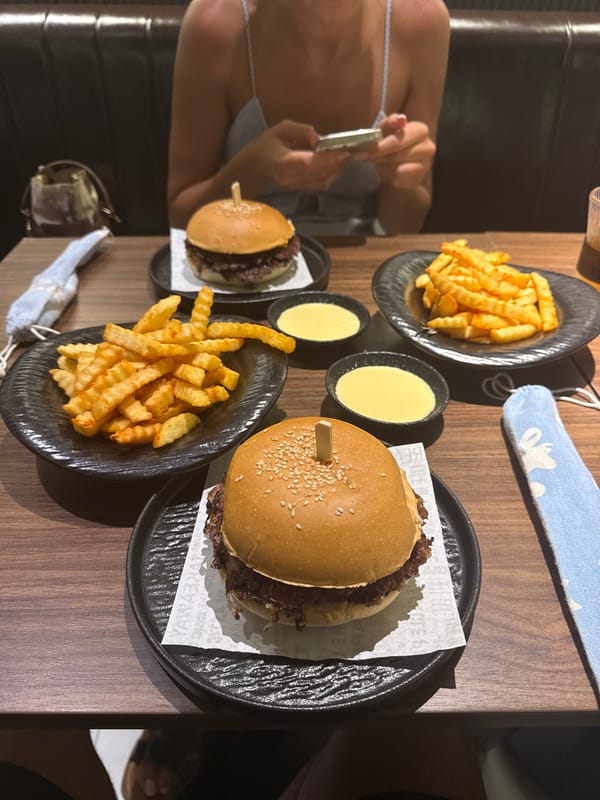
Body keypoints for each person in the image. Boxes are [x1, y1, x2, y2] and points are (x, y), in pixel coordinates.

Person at [167, 0, 450, 237]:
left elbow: (402, 226)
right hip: (240, 266)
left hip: (363, 272)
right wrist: (252, 170)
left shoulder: (421, 20)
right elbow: (181, 220)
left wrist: (402, 175)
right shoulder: (215, 21)